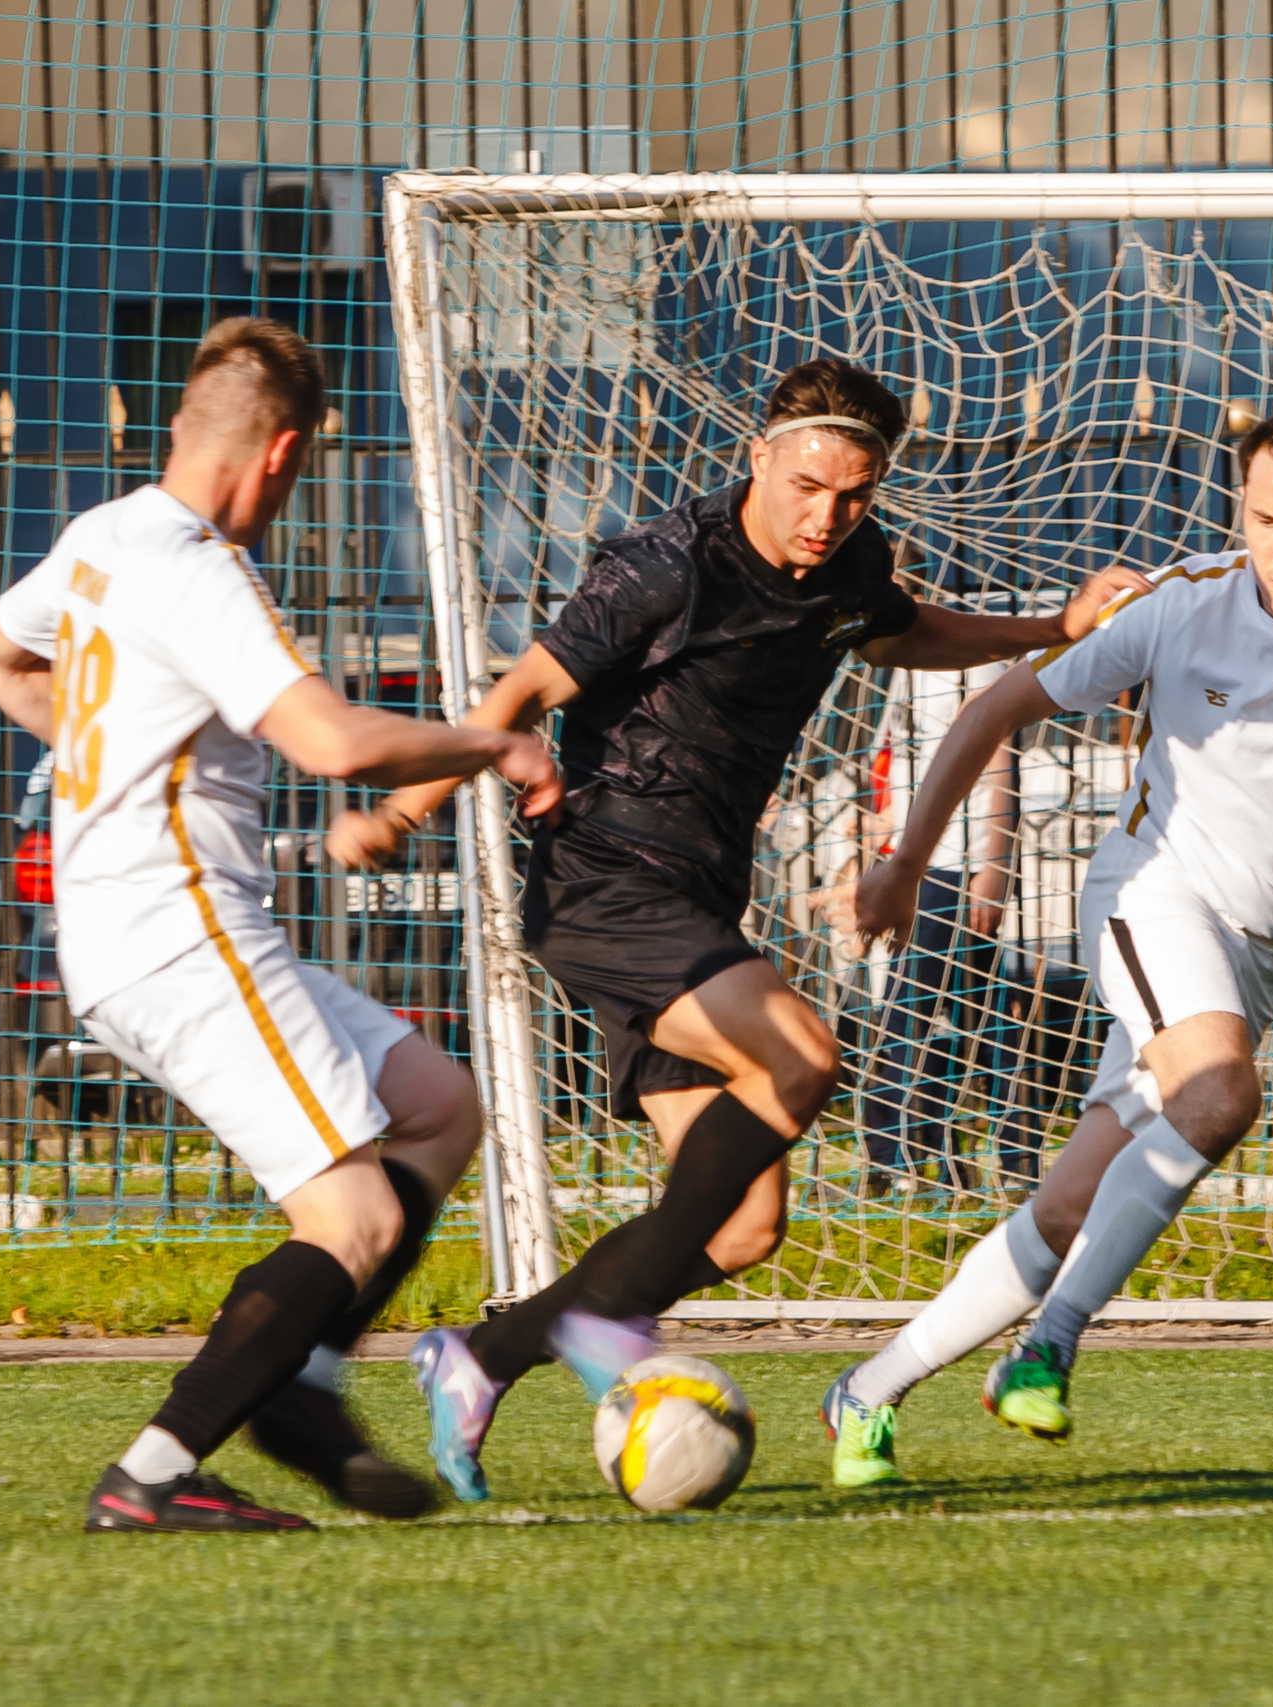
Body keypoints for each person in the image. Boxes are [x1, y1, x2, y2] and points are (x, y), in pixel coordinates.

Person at [331, 357, 1148, 1502]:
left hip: (702, 901)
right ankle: (581, 1329)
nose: (825, 516)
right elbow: (515, 698)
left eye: (853, 494)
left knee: (742, 1224)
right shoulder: (662, 565)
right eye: (806, 484)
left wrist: (1051, 626)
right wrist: (403, 807)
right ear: (758, 457)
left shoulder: (851, 560)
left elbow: (897, 628)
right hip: (609, 883)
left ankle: (486, 1354)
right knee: (802, 1057)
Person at [0, 317, 560, 1534]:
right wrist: (492, 741)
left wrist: (102, 760)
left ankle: (302, 1387)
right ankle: (154, 1473)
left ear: (184, 426)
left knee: (438, 1105)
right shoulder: (196, 567)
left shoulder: (104, 533)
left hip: (143, 931)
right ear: (284, 453)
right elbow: (333, 743)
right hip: (180, 930)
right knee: (356, 1219)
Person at [820, 405, 1273, 1488]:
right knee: (1220, 1096)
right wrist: (901, 858)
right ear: (1240, 509)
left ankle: (866, 1390)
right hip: (1150, 893)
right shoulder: (1180, 605)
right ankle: (1048, 1349)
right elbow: (992, 711)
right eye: (1264, 519)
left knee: (1072, 1203)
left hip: (1258, 953)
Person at [849, 655, 1015, 1195]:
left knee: (920, 1016)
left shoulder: (970, 664)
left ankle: (897, 1160)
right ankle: (947, 1163)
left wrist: (995, 865)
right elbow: (906, 782)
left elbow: (998, 761)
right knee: (961, 1019)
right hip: (913, 865)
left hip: (952, 869)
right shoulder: (899, 670)